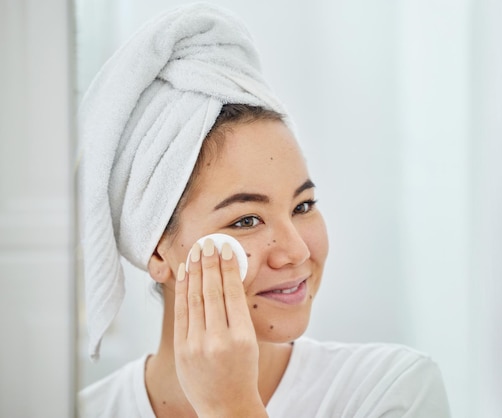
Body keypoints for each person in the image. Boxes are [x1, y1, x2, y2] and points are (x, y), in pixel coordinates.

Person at [78, 3, 450, 417]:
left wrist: (231, 406)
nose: (296, 251)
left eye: (303, 206)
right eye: (246, 220)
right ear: (159, 252)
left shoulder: (389, 390)